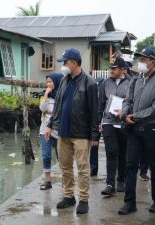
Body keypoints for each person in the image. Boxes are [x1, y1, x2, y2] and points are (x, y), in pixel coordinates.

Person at [45, 48, 99, 214]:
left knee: (82, 167)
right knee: (65, 166)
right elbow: (59, 105)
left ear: (74, 63)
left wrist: (94, 135)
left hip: (80, 133)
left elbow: (94, 111)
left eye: (65, 62)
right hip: (63, 132)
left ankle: (83, 199)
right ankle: (68, 196)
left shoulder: (89, 83)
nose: (63, 65)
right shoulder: (64, 80)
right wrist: (50, 124)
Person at [118, 48, 155, 215]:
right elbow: (127, 100)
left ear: (152, 62)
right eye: (139, 59)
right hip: (134, 129)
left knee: (154, 165)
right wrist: (125, 114)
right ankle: (129, 203)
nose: (140, 63)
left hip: (152, 130)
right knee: (130, 165)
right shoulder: (135, 80)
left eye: (143, 60)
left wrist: (135, 116)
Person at [98, 57, 131, 196]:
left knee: (123, 151)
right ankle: (110, 183)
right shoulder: (105, 83)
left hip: (123, 122)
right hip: (108, 121)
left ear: (123, 69)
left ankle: (121, 179)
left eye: (115, 68)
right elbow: (101, 104)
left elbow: (133, 101)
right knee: (111, 152)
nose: (111, 70)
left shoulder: (131, 83)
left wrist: (124, 110)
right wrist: (98, 122)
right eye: (111, 68)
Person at [39, 72, 63, 190]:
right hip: (44, 128)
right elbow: (42, 108)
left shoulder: (61, 95)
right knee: (46, 156)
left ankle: (66, 180)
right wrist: (46, 95)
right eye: (47, 81)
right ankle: (47, 181)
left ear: (56, 82)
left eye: (50, 81)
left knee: (62, 157)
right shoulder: (45, 96)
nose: (48, 84)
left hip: (58, 129)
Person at [90, 77, 105, 176]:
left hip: (105, 123)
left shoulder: (105, 96)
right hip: (94, 124)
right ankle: (93, 168)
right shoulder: (91, 98)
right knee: (93, 146)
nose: (98, 92)